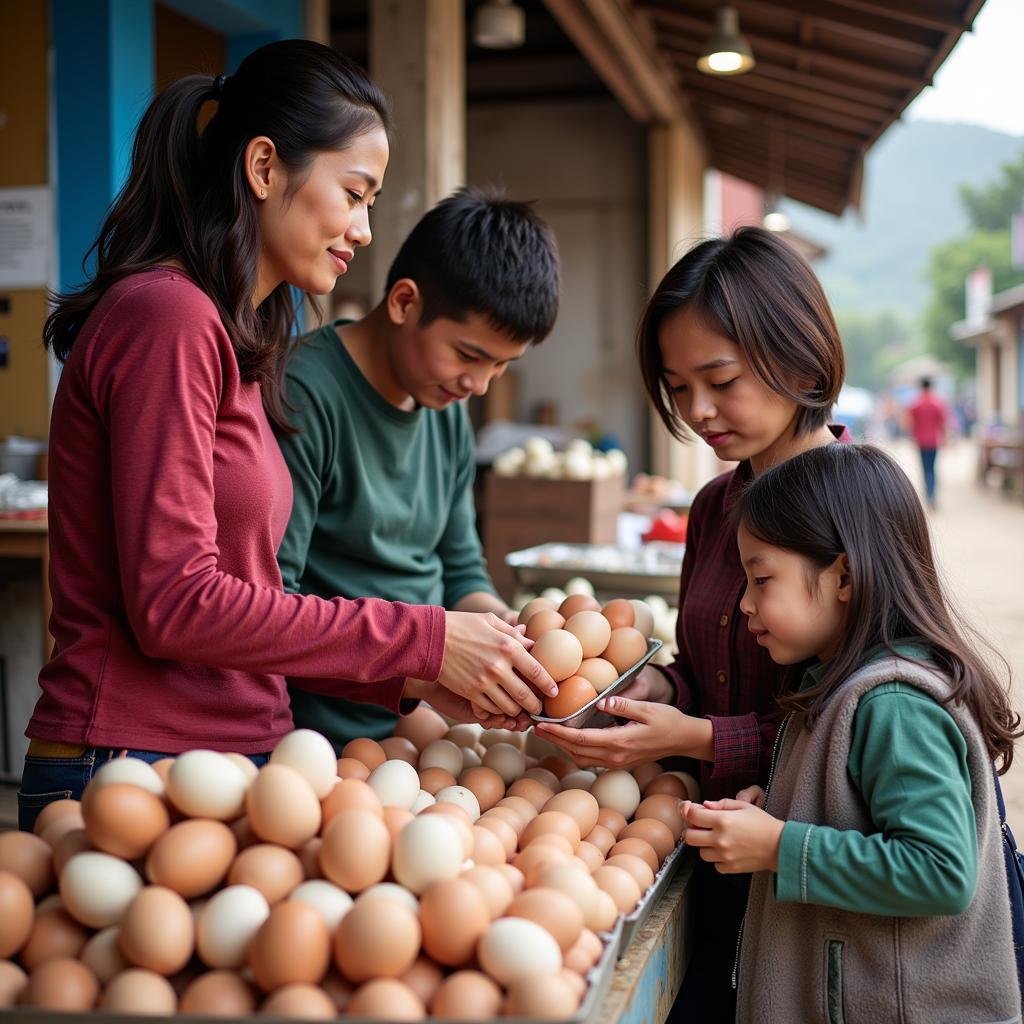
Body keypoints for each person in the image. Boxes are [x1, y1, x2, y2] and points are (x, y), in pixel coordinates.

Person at [19, 40, 554, 831]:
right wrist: (422, 640)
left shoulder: (238, 335)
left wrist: (413, 679)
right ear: (265, 168)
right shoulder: (166, 318)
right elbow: (175, 603)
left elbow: (254, 598)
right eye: (354, 192)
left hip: (234, 757)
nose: (366, 229)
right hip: (132, 763)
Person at [535, 226, 848, 1021]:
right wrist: (642, 686)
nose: (697, 412)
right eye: (677, 388)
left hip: (813, 873)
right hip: (707, 845)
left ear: (801, 362)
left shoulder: (858, 514)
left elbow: (855, 727)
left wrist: (693, 737)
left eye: (720, 380)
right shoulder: (715, 506)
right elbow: (707, 666)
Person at [684, 443, 1021, 1023]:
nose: (744, 603)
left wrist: (777, 845)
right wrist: (785, 809)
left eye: (761, 579)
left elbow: (939, 871)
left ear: (844, 574)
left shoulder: (895, 703)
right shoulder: (842, 684)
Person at [275, 187, 559, 751]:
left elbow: (460, 571)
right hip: (312, 738)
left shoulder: (443, 407)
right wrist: (427, 663)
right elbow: (271, 609)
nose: (478, 385)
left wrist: (509, 636)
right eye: (469, 355)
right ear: (405, 302)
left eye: (502, 366)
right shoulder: (302, 395)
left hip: (422, 717)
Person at [906, 376, 948, 509]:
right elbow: (943, 423)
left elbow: (908, 423)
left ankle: (927, 494)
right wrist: (946, 438)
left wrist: (912, 434)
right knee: (933, 468)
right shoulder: (937, 403)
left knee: (924, 468)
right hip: (934, 441)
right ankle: (932, 494)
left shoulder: (915, 404)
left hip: (920, 441)